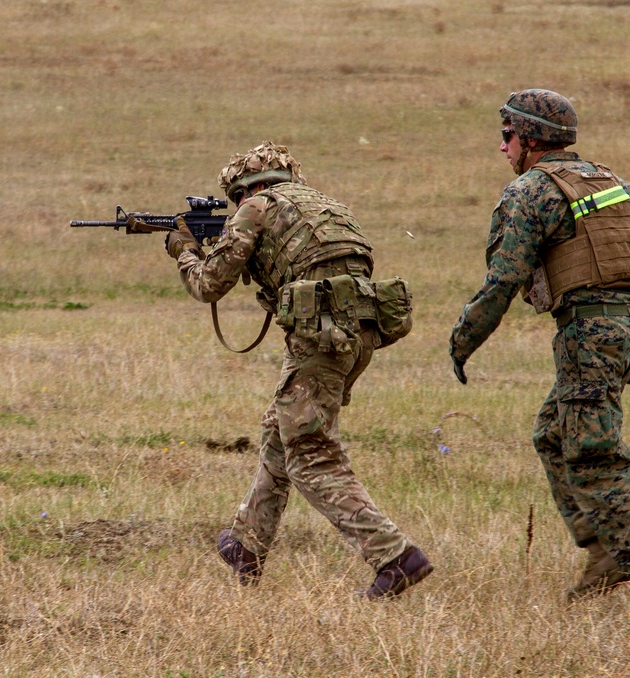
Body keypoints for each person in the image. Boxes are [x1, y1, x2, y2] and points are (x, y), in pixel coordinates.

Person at [448, 90, 630, 603]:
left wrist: (464, 340)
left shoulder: (531, 193)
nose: (502, 148)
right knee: (553, 433)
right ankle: (603, 551)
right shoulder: (609, 182)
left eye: (507, 136)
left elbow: (504, 279)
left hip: (590, 336)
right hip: (627, 333)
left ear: (531, 140)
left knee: (592, 456)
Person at [164, 141, 432, 599]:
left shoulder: (257, 208)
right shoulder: (327, 207)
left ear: (250, 186)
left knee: (310, 454)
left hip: (320, 337)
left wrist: (185, 251)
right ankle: (246, 545)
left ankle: (394, 556)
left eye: (237, 198)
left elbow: (209, 285)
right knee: (279, 432)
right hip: (357, 334)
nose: (236, 207)